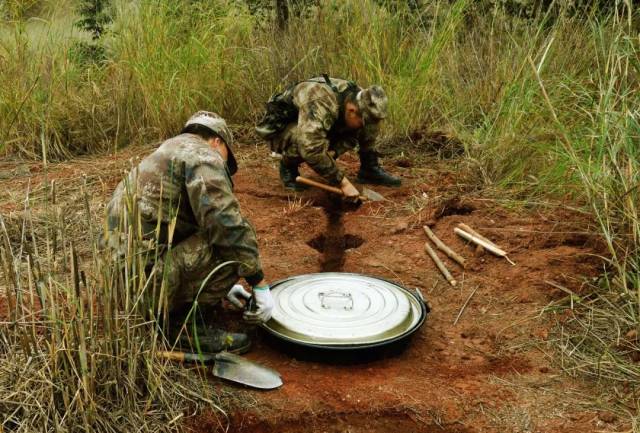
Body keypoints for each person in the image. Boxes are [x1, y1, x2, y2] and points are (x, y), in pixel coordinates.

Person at [103, 111, 274, 354]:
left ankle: (179, 305)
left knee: (219, 236)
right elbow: (225, 222)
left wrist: (222, 287)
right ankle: (182, 327)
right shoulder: (201, 153)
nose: (224, 165)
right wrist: (258, 283)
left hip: (123, 288)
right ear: (218, 142)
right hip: (147, 292)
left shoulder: (168, 152)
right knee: (233, 241)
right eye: (227, 159)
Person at [256, 75, 402, 196]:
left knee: (367, 123)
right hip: (281, 127)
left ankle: (369, 168)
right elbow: (311, 147)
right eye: (362, 121)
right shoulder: (321, 101)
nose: (367, 127)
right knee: (304, 142)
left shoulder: (362, 98)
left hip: (318, 123)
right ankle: (288, 167)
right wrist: (342, 182)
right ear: (351, 110)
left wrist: (334, 151)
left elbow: (362, 125)